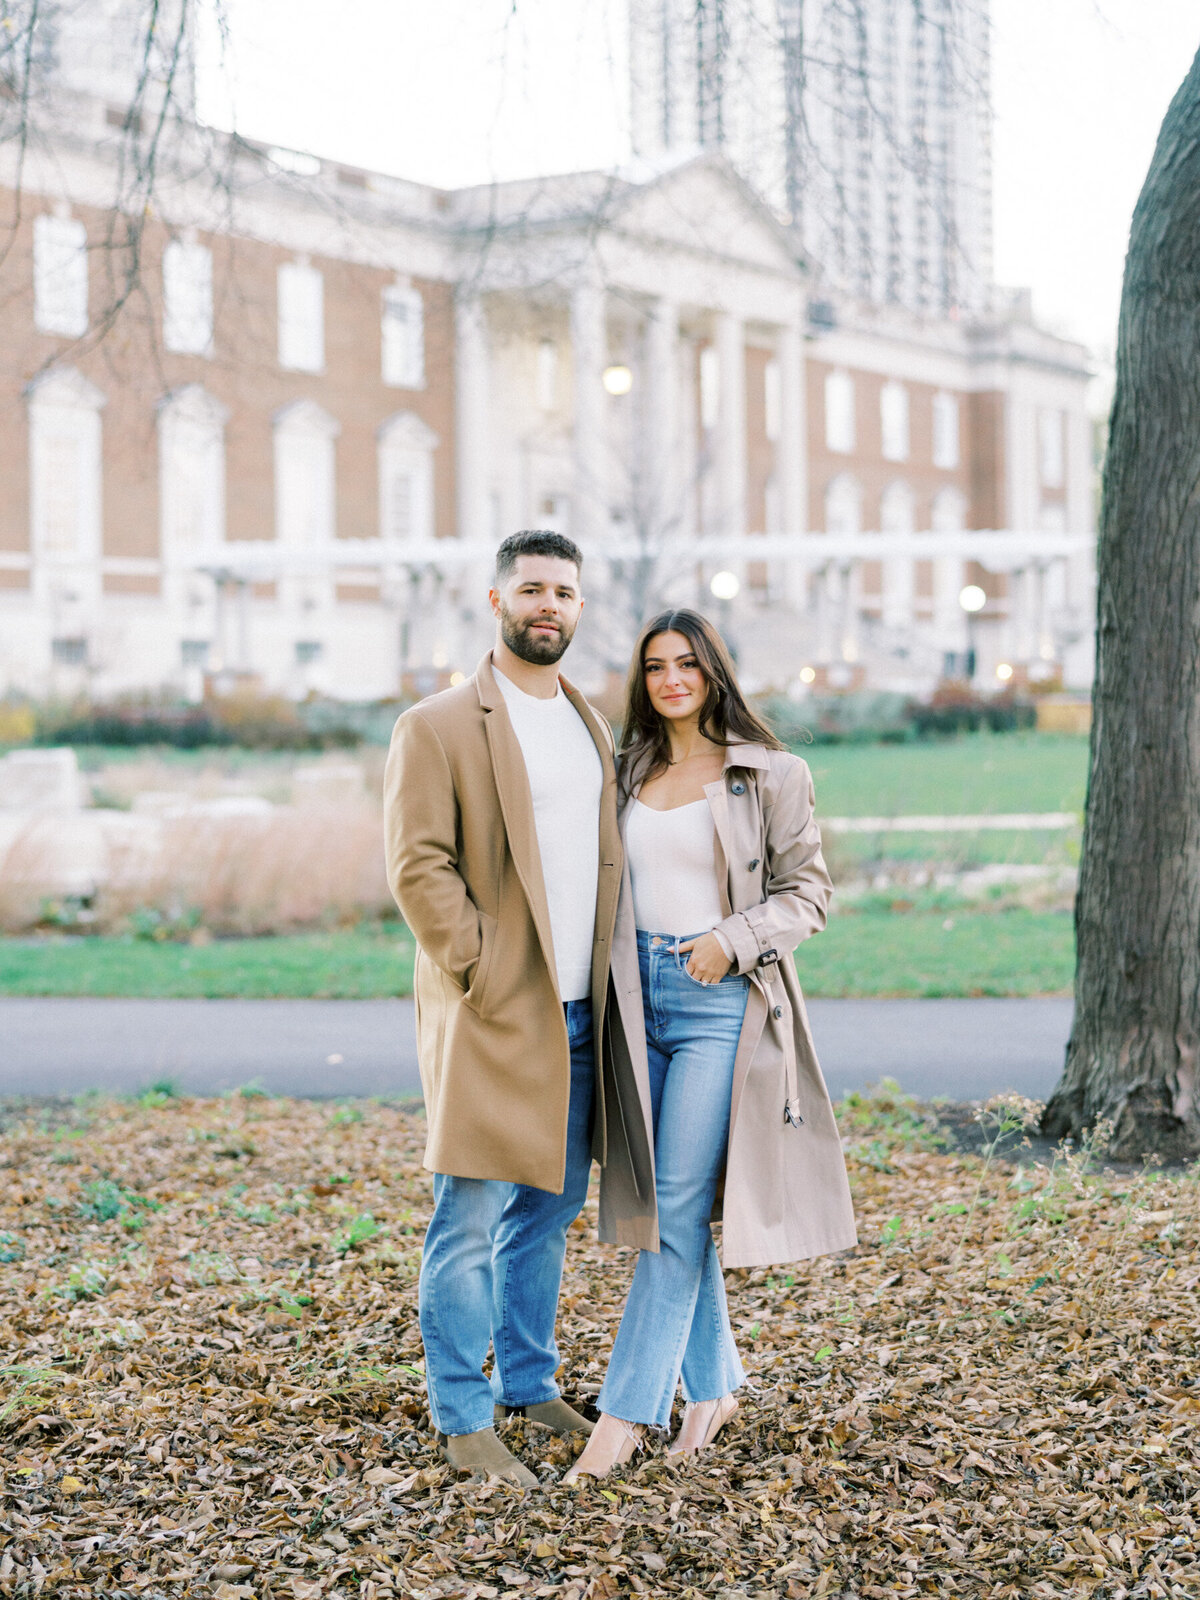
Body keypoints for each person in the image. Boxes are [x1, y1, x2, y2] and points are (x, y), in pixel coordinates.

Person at [382, 530, 657, 1488]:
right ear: (497, 602)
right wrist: (484, 969)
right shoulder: (439, 724)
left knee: (547, 1214)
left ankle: (528, 1384)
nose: (551, 605)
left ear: (581, 610)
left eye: (566, 593)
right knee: (465, 1219)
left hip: (586, 1015)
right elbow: (418, 866)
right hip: (500, 1012)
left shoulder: (591, 724)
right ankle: (462, 1417)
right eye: (533, 589)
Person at [565, 608, 858, 1482]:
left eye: (687, 663)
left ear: (714, 672)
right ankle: (716, 1386)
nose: (672, 679)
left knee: (679, 1206)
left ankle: (621, 1418)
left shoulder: (769, 773)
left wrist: (734, 937)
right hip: (632, 1002)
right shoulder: (624, 772)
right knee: (669, 1207)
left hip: (715, 1002)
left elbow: (809, 894)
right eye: (656, 666)